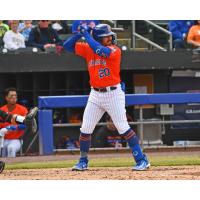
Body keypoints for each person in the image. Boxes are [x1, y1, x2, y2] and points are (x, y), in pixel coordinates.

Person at [63, 23, 150, 171]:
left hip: (113, 94)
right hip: (95, 94)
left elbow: (101, 51)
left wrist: (88, 36)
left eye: (109, 36)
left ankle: (142, 160)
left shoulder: (114, 50)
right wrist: (79, 34)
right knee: (85, 128)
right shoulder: (89, 48)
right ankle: (83, 161)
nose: (110, 38)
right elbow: (67, 46)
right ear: (97, 38)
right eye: (105, 37)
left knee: (123, 128)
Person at [0, 88, 28, 157]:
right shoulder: (2, 110)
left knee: (11, 148)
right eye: (11, 95)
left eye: (15, 95)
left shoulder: (22, 109)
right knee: (2, 154)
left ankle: (12, 167)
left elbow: (26, 124)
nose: (14, 97)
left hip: (16, 139)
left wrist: (14, 127)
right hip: (2, 138)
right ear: (6, 97)